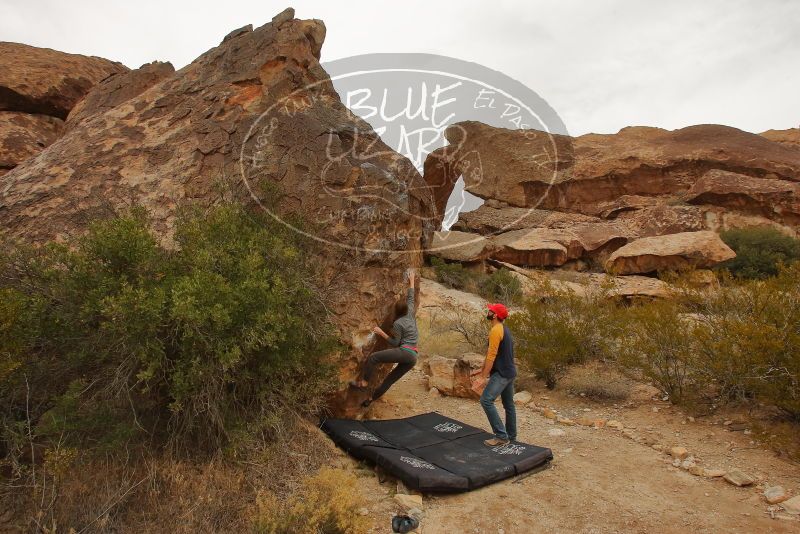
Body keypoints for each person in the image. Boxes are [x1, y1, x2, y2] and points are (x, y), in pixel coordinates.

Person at [350, 271, 418, 408]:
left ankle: (364, 382)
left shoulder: (398, 323)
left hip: (405, 351)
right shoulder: (410, 312)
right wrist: (412, 281)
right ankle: (370, 399)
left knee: (374, 358)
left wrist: (381, 332)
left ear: (396, 311)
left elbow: (395, 343)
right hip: (413, 357)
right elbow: (411, 297)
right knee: (389, 380)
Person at [471, 302, 517, 446]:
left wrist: (483, 378)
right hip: (510, 372)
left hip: (502, 373)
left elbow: (492, 356)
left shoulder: (496, 330)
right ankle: (511, 437)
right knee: (509, 405)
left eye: (490, 310)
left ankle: (501, 437)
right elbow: (492, 355)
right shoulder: (503, 329)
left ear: (495, 315)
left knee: (486, 400)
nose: (488, 312)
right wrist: (482, 369)